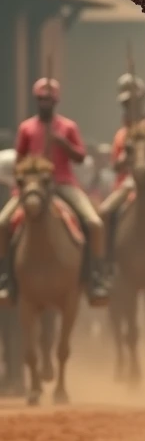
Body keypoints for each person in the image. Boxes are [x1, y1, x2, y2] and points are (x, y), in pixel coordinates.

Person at [0, 79, 109, 305]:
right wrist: (31, 172)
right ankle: (6, 278)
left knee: (94, 223)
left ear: (55, 101)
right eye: (40, 99)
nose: (44, 103)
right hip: (35, 186)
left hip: (63, 183)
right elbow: (19, 161)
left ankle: (95, 276)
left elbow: (79, 157)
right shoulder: (26, 128)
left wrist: (62, 143)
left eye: (48, 100)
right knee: (2, 223)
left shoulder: (67, 127)